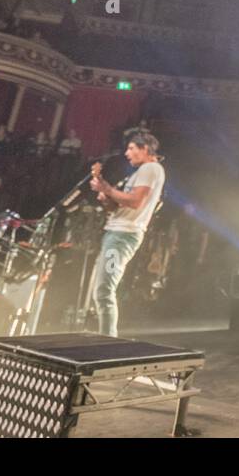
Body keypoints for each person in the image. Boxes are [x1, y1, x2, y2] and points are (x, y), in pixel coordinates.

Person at [88, 130, 165, 337]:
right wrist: (106, 197)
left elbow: (135, 201)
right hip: (116, 233)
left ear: (145, 149)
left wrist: (107, 188)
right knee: (103, 289)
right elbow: (118, 207)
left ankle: (107, 341)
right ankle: (106, 338)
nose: (126, 153)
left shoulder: (151, 168)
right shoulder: (142, 171)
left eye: (131, 148)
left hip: (123, 237)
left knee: (104, 290)